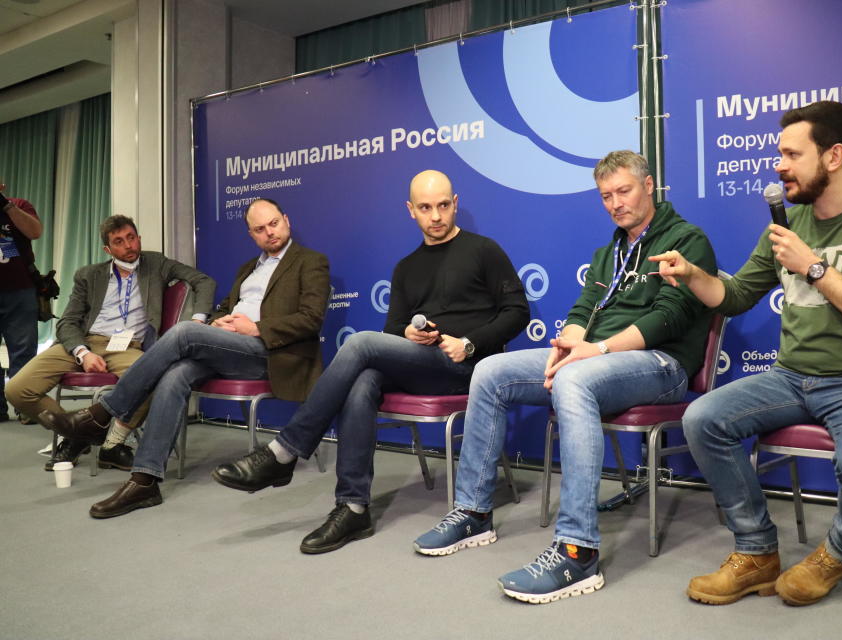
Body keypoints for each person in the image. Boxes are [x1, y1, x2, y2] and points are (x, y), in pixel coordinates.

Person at [651, 101, 842, 607]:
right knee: (703, 418)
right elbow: (736, 296)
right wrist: (695, 275)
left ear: (834, 156)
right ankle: (757, 551)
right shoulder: (787, 222)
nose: (778, 164)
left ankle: (839, 553)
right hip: (790, 377)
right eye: (778, 153)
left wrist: (814, 267)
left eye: (790, 153)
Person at [414, 151, 718, 604]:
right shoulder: (610, 252)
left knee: (575, 380)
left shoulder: (687, 240)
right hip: (596, 360)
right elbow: (581, 312)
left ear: (649, 186)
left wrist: (592, 352)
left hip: (660, 365)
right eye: (606, 196)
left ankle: (578, 551)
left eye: (624, 191)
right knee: (492, 370)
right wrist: (568, 347)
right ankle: (473, 512)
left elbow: (667, 321)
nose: (615, 203)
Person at [211, 170, 530, 555]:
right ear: (410, 210)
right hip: (424, 365)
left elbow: (517, 311)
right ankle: (353, 506)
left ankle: (285, 451)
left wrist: (468, 343)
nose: (436, 216)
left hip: (469, 367)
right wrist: (409, 336)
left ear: (455, 203)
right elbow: (393, 328)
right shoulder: (407, 267)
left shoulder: (484, 250)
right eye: (426, 208)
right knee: (362, 382)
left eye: (443, 205)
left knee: (361, 345)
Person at [40, 199, 330, 518]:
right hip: (230, 346)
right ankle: (145, 480)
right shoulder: (248, 268)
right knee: (176, 373)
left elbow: (311, 318)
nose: (269, 233)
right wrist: (220, 320)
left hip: (272, 353)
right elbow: (227, 307)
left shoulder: (311, 261)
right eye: (260, 229)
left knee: (184, 332)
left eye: (274, 224)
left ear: (286, 220)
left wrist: (255, 327)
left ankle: (102, 414)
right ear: (251, 234)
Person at [8, 215, 214, 471]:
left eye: (131, 238)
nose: (128, 245)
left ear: (138, 238)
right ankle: (77, 434)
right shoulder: (89, 275)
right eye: (119, 241)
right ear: (108, 249)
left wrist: (198, 320)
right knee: (16, 390)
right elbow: (68, 322)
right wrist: (83, 353)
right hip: (85, 343)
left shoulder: (156, 263)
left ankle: (112, 445)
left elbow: (203, 281)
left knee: (156, 379)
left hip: (128, 348)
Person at [0, 181, 43, 424]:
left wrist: (6, 207)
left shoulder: (19, 205)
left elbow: (35, 232)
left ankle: (24, 405)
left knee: (23, 351)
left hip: (20, 290)